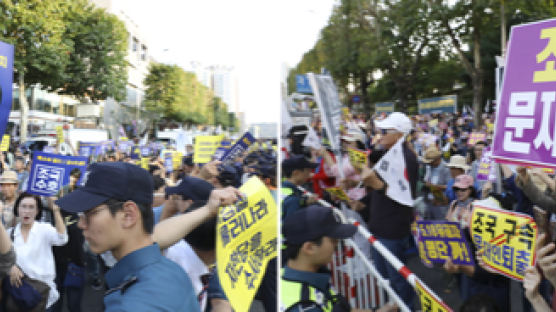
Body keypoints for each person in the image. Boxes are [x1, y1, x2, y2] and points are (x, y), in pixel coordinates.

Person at [55, 162, 208, 311]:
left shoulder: (131, 304)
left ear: (128, 215)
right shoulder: (170, 269)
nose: (81, 224)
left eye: (89, 213)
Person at [281, 204, 397, 312]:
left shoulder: (308, 276)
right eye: (333, 240)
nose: (337, 244)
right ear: (309, 248)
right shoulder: (304, 305)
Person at [360, 112, 417, 309]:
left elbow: (403, 195)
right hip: (380, 226)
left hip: (392, 230)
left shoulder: (407, 158)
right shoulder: (389, 154)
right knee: (385, 279)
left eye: (384, 131)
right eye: (379, 131)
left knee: (397, 280)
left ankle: (405, 307)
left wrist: (375, 182)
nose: (379, 135)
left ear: (399, 134)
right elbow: (380, 188)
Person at [8, 192, 68, 310]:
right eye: (23, 206)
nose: (27, 211)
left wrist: (55, 210)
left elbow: (62, 239)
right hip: (19, 295)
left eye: (31, 207)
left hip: (43, 294)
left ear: (37, 211)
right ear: (17, 208)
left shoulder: (44, 229)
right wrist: (10, 266)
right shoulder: (9, 233)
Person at [281, 156, 318, 221]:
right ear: (296, 173)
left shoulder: (284, 188)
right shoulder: (292, 198)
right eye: (308, 171)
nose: (310, 174)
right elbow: (294, 226)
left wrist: (305, 202)